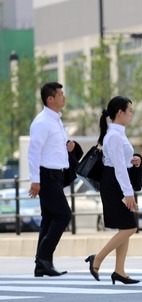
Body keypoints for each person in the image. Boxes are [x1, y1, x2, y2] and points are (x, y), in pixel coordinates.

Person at [85, 96, 142, 285]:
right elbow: (118, 167)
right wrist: (128, 193)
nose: (131, 114)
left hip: (116, 181)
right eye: (130, 110)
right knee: (130, 227)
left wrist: (135, 161)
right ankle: (98, 258)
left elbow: (122, 162)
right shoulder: (115, 136)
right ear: (120, 113)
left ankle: (119, 271)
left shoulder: (117, 133)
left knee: (125, 226)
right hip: (114, 184)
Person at [28, 82, 75, 277]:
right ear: (50, 99)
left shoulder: (56, 120)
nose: (63, 97)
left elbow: (52, 147)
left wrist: (67, 145)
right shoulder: (42, 122)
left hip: (56, 176)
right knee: (64, 215)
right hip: (46, 176)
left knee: (48, 219)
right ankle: (43, 258)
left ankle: (42, 264)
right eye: (60, 94)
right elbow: (34, 152)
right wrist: (35, 180)